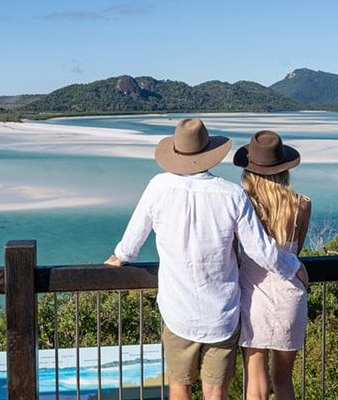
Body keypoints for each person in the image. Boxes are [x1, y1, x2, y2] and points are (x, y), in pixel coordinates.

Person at [104, 118, 305, 400]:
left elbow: (133, 239)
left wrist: (120, 257)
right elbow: (261, 251)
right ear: (209, 152)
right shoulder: (232, 195)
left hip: (178, 310)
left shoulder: (158, 187)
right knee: (215, 392)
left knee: (179, 387)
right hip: (221, 313)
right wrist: (294, 267)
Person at [233, 130, 311, 400]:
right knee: (284, 380)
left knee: (255, 380)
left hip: (253, 297)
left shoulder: (244, 206)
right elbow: (295, 250)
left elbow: (235, 251)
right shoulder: (301, 205)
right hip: (291, 295)